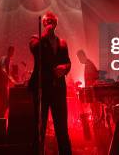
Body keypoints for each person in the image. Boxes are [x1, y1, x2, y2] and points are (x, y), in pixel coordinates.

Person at [29, 11, 72, 155]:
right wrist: (45, 35)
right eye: (46, 20)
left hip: (58, 89)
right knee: (39, 127)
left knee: (62, 128)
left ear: (56, 22)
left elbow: (68, 62)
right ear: (43, 23)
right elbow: (35, 50)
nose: (49, 21)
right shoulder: (36, 39)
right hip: (41, 89)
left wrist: (65, 68)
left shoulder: (62, 42)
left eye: (51, 19)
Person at [0, 46, 17, 118]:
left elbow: (9, 75)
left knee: (6, 104)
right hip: (1, 85)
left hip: (5, 85)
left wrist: (15, 82)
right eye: (11, 52)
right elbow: (3, 69)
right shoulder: (3, 59)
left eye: (13, 52)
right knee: (3, 104)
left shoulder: (10, 61)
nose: (12, 54)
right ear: (8, 51)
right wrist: (9, 77)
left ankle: (0, 120)